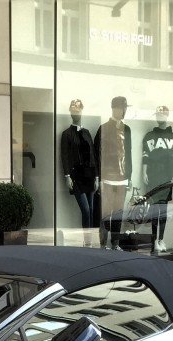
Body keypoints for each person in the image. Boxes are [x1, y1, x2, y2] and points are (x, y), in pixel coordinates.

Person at [140, 106, 173, 253]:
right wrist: (144, 172)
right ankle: (154, 240)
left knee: (163, 209)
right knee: (154, 209)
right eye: (158, 114)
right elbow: (145, 155)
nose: (159, 117)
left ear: (167, 116)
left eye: (162, 114)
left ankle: (161, 238)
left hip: (166, 175)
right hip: (153, 174)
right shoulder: (149, 136)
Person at [95, 96, 132, 248]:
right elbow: (97, 154)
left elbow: (129, 153)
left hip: (122, 178)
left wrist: (129, 176)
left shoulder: (127, 129)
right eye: (123, 108)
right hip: (108, 178)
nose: (125, 111)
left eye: (125, 108)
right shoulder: (103, 128)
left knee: (118, 214)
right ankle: (103, 244)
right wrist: (98, 177)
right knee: (106, 213)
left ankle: (115, 244)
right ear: (115, 108)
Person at [60, 99, 97, 239]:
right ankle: (87, 241)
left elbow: (93, 156)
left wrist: (97, 177)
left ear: (82, 111)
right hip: (76, 177)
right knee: (86, 210)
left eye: (78, 111)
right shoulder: (67, 134)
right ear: (70, 112)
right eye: (73, 111)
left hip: (89, 175)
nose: (76, 113)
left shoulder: (86, 133)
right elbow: (65, 156)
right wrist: (67, 176)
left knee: (91, 210)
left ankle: (89, 241)